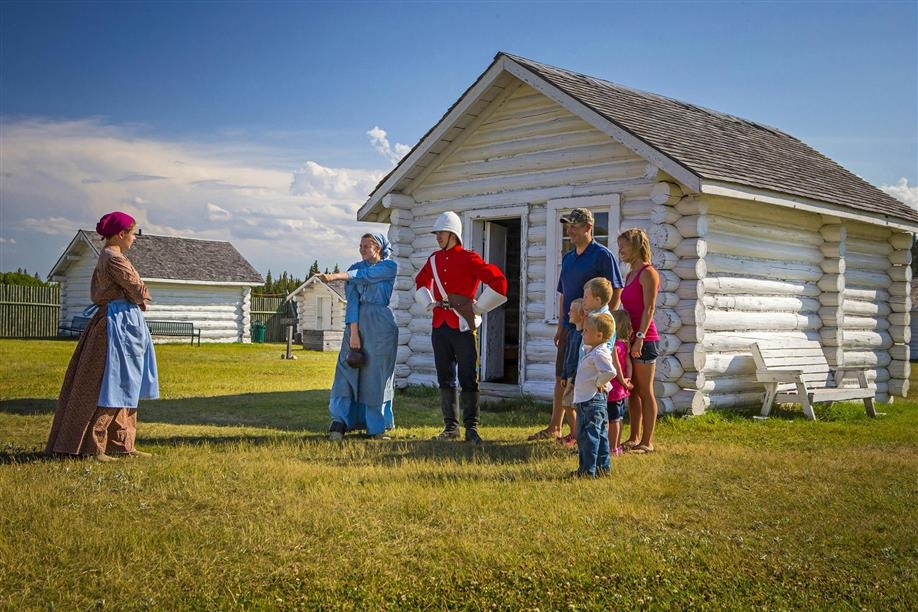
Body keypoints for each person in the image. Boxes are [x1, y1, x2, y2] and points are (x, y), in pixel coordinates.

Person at [46, 212, 158, 461]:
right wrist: (140, 293)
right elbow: (139, 290)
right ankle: (91, 445)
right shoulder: (113, 258)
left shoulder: (112, 257)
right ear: (121, 234)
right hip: (117, 324)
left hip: (124, 322)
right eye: (132, 234)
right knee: (111, 380)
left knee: (127, 382)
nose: (134, 239)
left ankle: (121, 442)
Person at [528, 208, 623, 441]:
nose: (569, 230)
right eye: (567, 226)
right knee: (562, 374)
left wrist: (603, 326)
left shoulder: (602, 255)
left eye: (574, 226)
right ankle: (555, 427)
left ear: (588, 228)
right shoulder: (569, 257)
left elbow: (616, 291)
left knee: (583, 379)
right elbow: (564, 294)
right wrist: (561, 325)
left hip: (591, 331)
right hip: (571, 327)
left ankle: (581, 432)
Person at [414, 211, 508, 444]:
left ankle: (472, 428)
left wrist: (479, 308)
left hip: (462, 326)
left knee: (468, 377)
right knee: (445, 378)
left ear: (453, 234)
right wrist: (430, 304)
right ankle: (450, 428)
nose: (437, 237)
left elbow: (499, 282)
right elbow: (420, 282)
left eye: (441, 232)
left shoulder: (469, 258)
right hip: (440, 324)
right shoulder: (434, 260)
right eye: (436, 233)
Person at [319, 233, 398, 440]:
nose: (362, 249)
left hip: (380, 325)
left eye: (366, 245)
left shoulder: (389, 267)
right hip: (356, 323)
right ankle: (339, 422)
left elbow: (365, 276)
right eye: (360, 245)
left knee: (375, 375)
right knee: (346, 370)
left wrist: (336, 276)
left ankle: (375, 427)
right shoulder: (355, 267)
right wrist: (353, 332)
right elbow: (352, 300)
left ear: (378, 248)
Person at [618, 228, 660, 454]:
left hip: (645, 339)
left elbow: (649, 308)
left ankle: (647, 441)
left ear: (636, 246)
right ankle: (633, 437)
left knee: (645, 391)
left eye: (624, 245)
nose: (620, 250)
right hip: (629, 338)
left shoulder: (648, 272)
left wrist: (640, 339)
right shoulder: (629, 273)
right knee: (631, 391)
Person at [572, 312, 616, 478]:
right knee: (599, 435)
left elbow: (610, 371)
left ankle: (586, 471)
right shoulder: (594, 351)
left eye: (586, 331)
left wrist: (599, 383)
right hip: (589, 399)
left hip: (590, 401)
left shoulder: (599, 353)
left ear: (599, 335)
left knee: (587, 436)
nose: (583, 334)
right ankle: (602, 469)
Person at [557, 298, 584, 449]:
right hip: (569, 376)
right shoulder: (572, 333)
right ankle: (575, 433)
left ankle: (577, 434)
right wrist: (564, 375)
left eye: (572, 311)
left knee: (572, 405)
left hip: (577, 377)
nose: (568, 313)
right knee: (567, 404)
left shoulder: (584, 336)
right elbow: (568, 356)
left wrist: (573, 377)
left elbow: (580, 359)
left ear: (582, 315)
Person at [608, 310, 634, 456]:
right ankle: (617, 446)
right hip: (622, 389)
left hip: (614, 388)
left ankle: (612, 447)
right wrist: (628, 380)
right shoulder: (625, 345)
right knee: (619, 418)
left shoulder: (614, 346)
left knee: (612, 420)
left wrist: (623, 381)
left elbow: (616, 366)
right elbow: (628, 364)